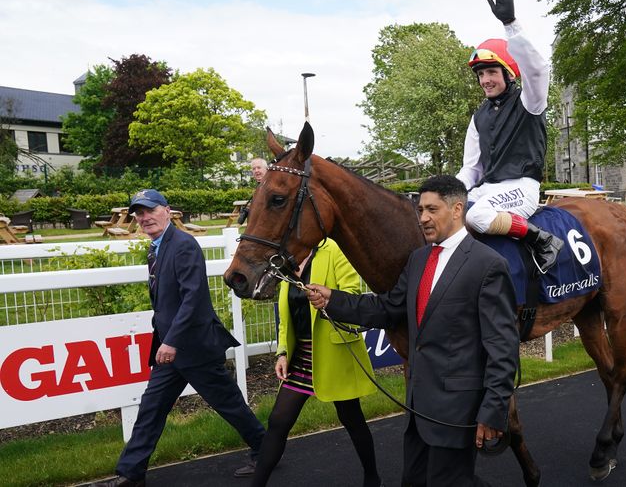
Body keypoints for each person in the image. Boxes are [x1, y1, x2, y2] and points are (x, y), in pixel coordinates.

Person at [306, 175, 519, 487]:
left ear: (457, 209)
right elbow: (388, 309)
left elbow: (502, 347)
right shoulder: (419, 260)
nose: (423, 218)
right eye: (420, 210)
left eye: (432, 209)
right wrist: (334, 300)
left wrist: (493, 410)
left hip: (459, 411)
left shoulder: (488, 265)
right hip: (418, 409)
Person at [93, 189, 264, 487]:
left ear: (167, 210)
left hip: (193, 346)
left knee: (228, 404)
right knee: (151, 407)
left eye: (150, 210)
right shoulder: (156, 248)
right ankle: (131, 473)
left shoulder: (184, 245)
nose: (144, 218)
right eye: (139, 213)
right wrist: (165, 339)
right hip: (170, 348)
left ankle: (266, 451)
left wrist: (170, 341)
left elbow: (192, 299)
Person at [241, 238, 382, 487]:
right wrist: (282, 352)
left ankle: (372, 478)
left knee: (351, 418)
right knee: (278, 421)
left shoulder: (334, 249)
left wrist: (328, 299)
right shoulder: (285, 256)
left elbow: (352, 294)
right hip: (300, 357)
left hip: (333, 353)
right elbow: (285, 311)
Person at [456, 0, 562, 273]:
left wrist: (511, 23)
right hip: (487, 189)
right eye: (481, 75)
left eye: (491, 71)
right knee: (442, 213)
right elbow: (471, 169)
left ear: (508, 74)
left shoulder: (529, 101)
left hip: (522, 188)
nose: (485, 80)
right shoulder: (478, 117)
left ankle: (542, 240)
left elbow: (538, 70)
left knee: (477, 217)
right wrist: (448, 191)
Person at [239, 158, 269, 224]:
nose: (256, 171)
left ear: (266, 169)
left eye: (259, 167)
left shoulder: (272, 185)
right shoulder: (259, 186)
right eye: (254, 169)